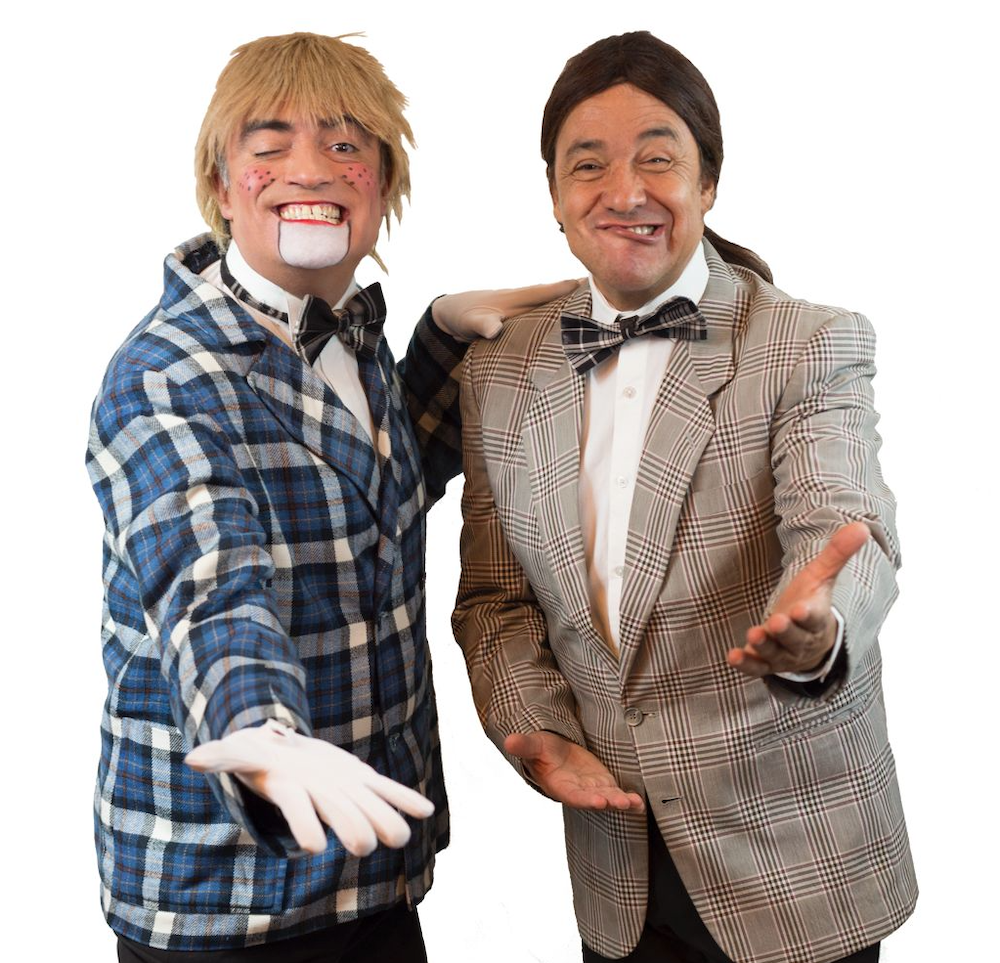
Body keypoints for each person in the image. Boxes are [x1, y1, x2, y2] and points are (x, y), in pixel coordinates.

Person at [86, 31, 570, 962]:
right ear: (222, 183)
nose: (310, 168)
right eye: (270, 144)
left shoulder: (351, 337)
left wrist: (439, 344)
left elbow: (367, 501)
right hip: (228, 897)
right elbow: (206, 577)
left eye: (345, 144)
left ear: (382, 185)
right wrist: (261, 732)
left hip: (373, 865)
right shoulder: (164, 376)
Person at [453, 31, 916, 963]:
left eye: (658, 159)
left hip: (797, 861)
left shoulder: (808, 342)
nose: (624, 192)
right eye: (589, 164)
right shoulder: (498, 370)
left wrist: (819, 629)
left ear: (709, 182)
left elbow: (842, 525)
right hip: (615, 861)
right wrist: (533, 726)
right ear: (555, 195)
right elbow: (494, 598)